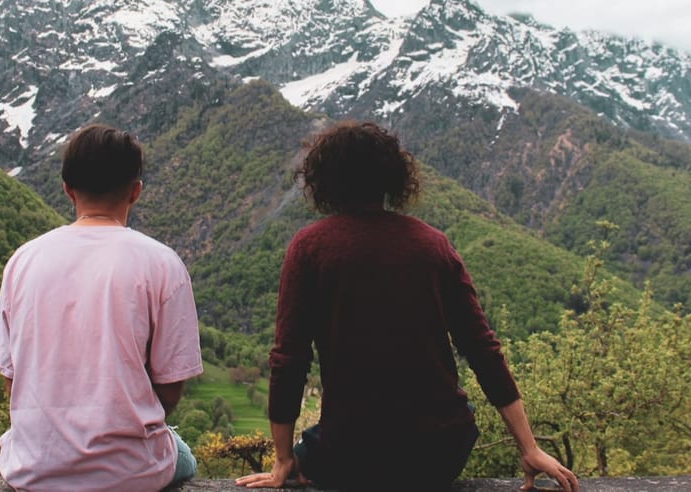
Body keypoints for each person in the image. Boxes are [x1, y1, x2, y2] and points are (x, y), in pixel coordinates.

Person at [235, 121, 578, 491]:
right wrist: (529, 447)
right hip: (442, 450)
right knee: (462, 415)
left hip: (349, 453)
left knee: (313, 453)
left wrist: (285, 460)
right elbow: (482, 348)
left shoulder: (309, 249)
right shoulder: (434, 245)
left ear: (324, 180)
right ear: (393, 178)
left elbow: (289, 360)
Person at [0, 124, 204, 491]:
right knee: (186, 458)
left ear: (67, 190)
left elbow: (11, 380)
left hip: (33, 468)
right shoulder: (163, 264)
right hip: (131, 471)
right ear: (135, 192)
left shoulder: (22, 261)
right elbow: (170, 388)